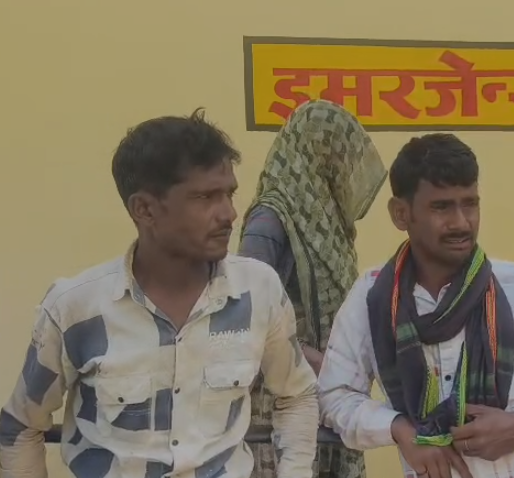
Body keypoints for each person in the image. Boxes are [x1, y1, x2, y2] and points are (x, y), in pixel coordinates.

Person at [0, 109, 319, 478]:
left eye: (229, 193)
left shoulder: (259, 291)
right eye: (205, 197)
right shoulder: (76, 309)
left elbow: (297, 396)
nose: (229, 213)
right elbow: (21, 427)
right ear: (145, 210)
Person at [318, 132, 514, 478]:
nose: (461, 222)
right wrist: (399, 429)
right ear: (401, 214)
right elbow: (335, 395)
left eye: (470, 204)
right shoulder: (373, 298)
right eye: (441, 207)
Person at [238, 99, 386, 478]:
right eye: (339, 158)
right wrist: (318, 361)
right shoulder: (270, 220)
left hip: (327, 395)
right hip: (280, 409)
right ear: (316, 154)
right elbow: (245, 315)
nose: (345, 172)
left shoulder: (323, 219)